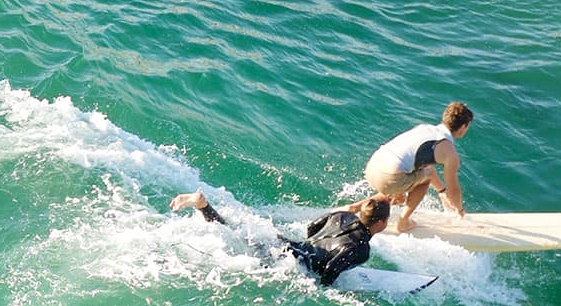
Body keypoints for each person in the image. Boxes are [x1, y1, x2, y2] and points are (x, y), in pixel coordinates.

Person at [169, 191, 393, 287]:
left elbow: (312, 226)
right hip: (289, 264)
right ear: (380, 224)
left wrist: (313, 247)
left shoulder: (344, 215)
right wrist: (323, 289)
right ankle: (203, 206)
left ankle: (203, 205)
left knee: (232, 235)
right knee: (232, 250)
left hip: (286, 245)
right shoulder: (361, 249)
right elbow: (331, 271)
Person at [365, 102, 474, 233]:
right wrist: (459, 210)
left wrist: (441, 191)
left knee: (401, 195)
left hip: (372, 168)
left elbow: (424, 166)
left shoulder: (424, 128)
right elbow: (454, 190)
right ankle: (403, 222)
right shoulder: (449, 152)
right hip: (388, 177)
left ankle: (355, 208)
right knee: (424, 178)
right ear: (463, 127)